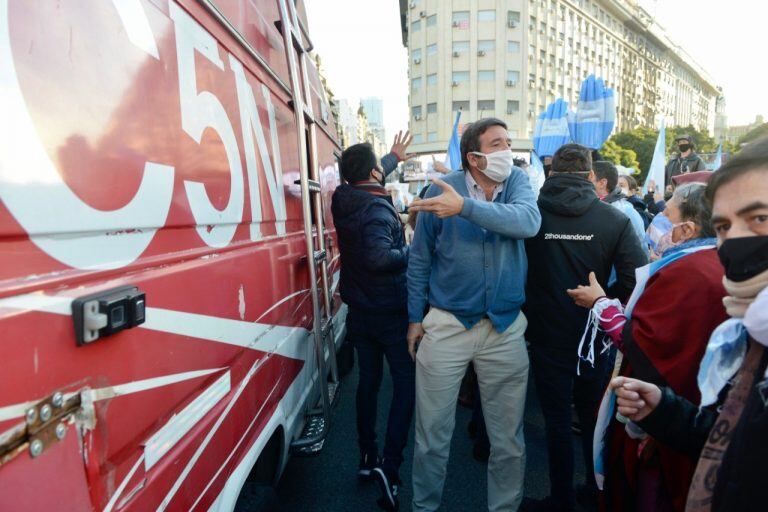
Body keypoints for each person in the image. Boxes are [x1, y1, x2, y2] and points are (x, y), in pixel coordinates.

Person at [608, 137, 768, 512]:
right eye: (725, 226)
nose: (736, 241)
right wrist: (664, 410)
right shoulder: (751, 334)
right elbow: (734, 442)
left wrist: (604, 309)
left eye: (759, 218)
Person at [407, 118, 541, 512]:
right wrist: (415, 320)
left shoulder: (516, 181)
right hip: (447, 325)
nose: (507, 150)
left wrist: (463, 208)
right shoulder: (440, 189)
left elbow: (528, 222)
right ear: (475, 157)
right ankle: (424, 507)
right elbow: (419, 262)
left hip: (505, 328)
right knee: (431, 435)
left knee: (508, 441)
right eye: (497, 144)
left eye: (508, 142)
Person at [567, 183, 728, 512]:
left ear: (686, 229)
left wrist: (600, 303)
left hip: (665, 421)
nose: (658, 218)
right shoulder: (706, 261)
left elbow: (644, 344)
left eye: (666, 212)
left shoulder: (688, 271)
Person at [522, 144, 647, 512]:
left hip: (545, 333)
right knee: (594, 418)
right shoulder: (614, 219)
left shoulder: (531, 215)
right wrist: (602, 306)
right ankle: (596, 495)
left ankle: (561, 499)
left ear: (552, 173)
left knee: (557, 421)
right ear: (592, 176)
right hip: (596, 337)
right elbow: (635, 281)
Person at [330, 132, 416, 512]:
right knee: (405, 385)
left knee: (369, 382)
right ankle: (390, 467)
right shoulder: (378, 209)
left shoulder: (343, 198)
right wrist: (411, 249)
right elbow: (381, 257)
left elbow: (367, 172)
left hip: (359, 309)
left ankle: (367, 457)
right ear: (371, 172)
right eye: (380, 166)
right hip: (390, 312)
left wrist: (393, 157)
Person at [593, 160, 646, 242]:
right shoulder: (585, 206)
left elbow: (640, 246)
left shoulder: (626, 211)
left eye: (589, 179)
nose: (584, 183)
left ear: (602, 183)